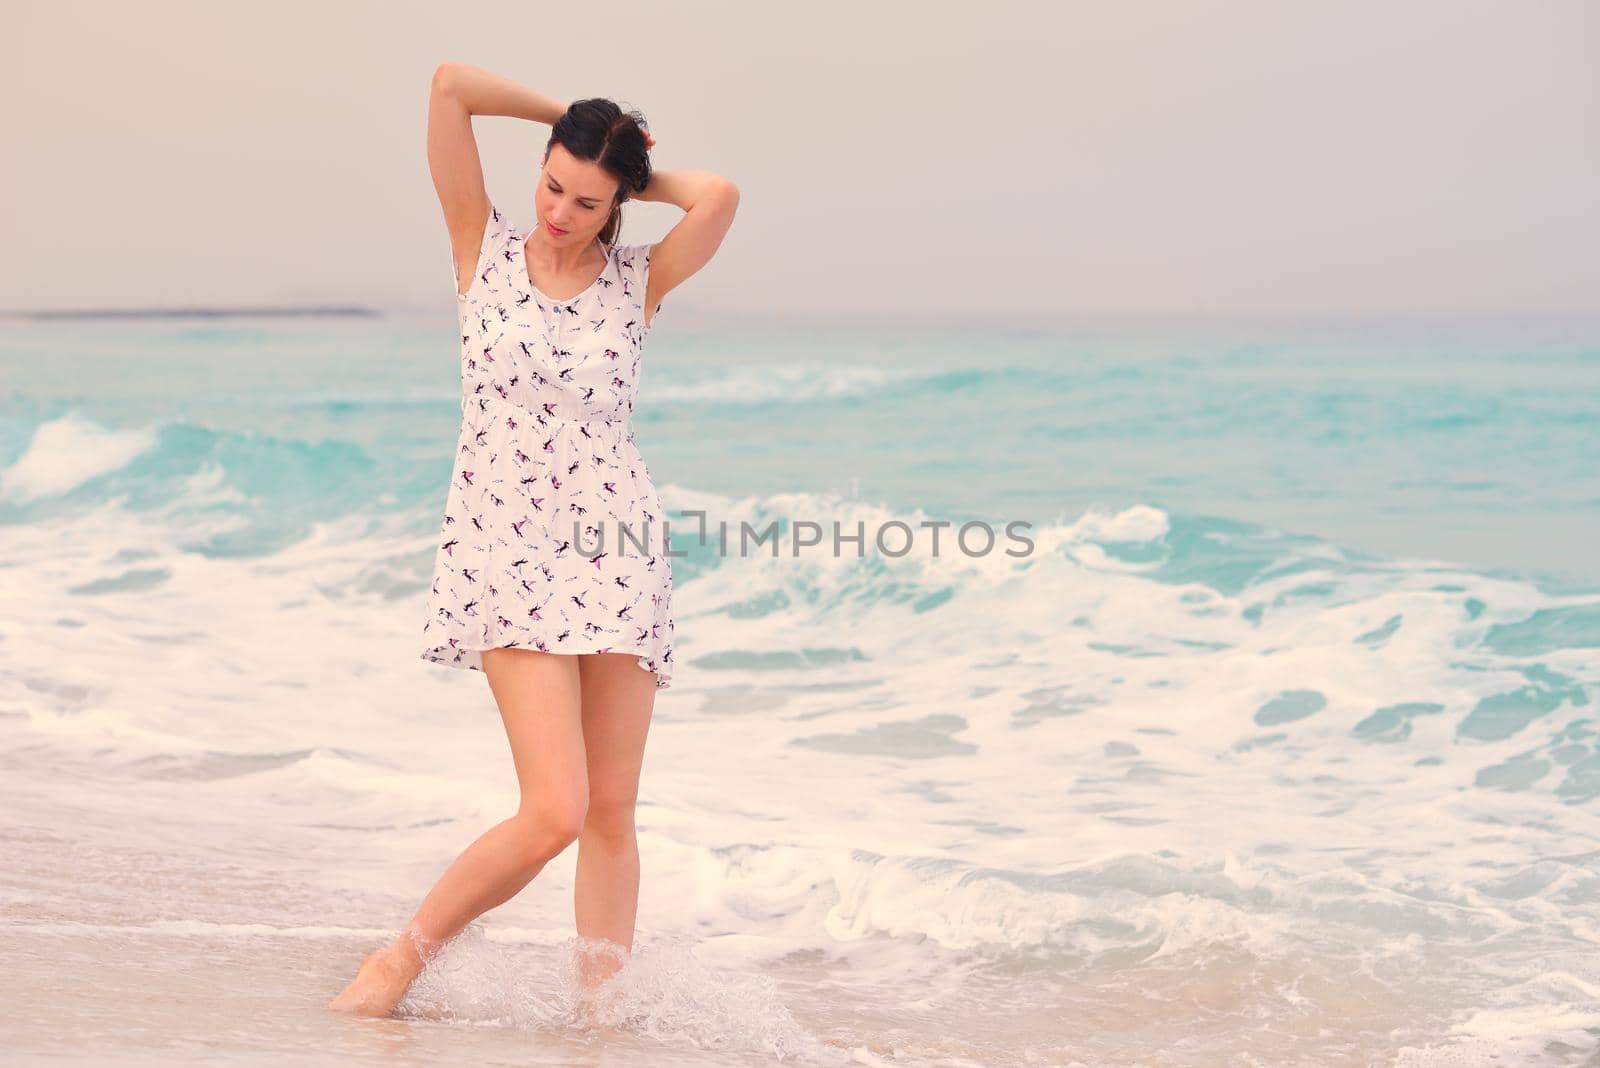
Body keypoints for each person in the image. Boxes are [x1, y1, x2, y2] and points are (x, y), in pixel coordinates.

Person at [328, 62, 738, 1018]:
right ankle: (399, 961)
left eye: (589, 200)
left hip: (618, 555)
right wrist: (574, 120)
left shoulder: (638, 282)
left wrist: (623, 157)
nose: (560, 210)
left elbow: (718, 196)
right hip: (505, 556)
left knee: (609, 812)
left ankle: (600, 1014)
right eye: (553, 183)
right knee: (554, 809)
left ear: (618, 207)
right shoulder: (483, 249)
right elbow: (447, 89)